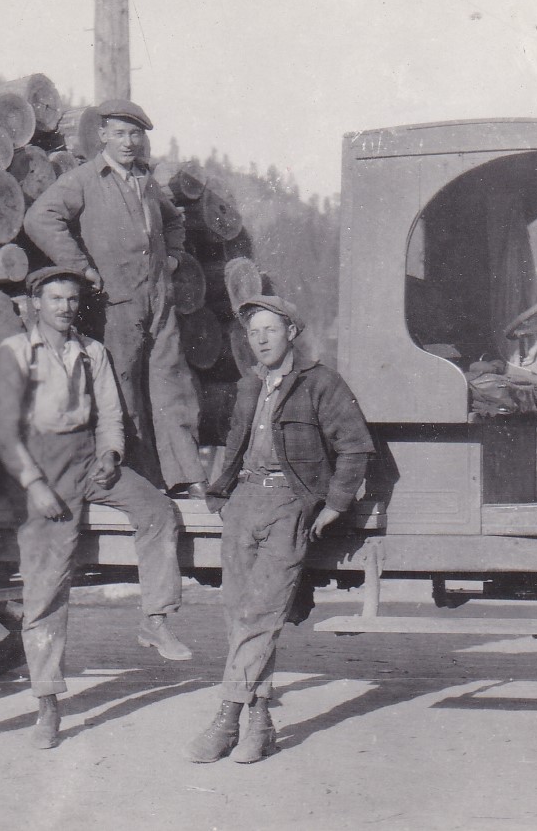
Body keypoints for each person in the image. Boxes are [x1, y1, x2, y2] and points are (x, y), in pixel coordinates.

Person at [0, 266, 192, 750]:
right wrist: (33, 483)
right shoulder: (16, 353)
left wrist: (110, 455)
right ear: (36, 302)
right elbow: (1, 429)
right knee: (48, 586)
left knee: (159, 511)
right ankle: (48, 704)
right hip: (39, 464)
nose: (65, 307)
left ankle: (156, 618)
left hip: (87, 458)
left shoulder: (91, 352)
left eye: (72, 300)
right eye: (55, 299)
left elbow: (109, 416)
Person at [189, 295, 374, 764]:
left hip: (290, 503)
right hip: (244, 503)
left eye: (271, 329)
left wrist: (334, 505)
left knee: (260, 615)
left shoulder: (322, 384)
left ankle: (227, 717)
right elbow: (236, 441)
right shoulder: (249, 385)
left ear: (292, 331)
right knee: (239, 614)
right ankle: (261, 722)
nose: (262, 340)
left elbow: (355, 447)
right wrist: (220, 493)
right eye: (254, 333)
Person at [23, 98, 206, 496]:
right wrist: (81, 268)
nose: (128, 142)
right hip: (114, 303)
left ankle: (186, 475)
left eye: (135, 134)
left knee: (170, 382)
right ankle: (141, 478)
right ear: (102, 135)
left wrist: (172, 259)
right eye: (119, 134)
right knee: (123, 386)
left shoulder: (146, 180)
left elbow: (174, 220)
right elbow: (40, 218)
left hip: (159, 299)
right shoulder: (86, 178)